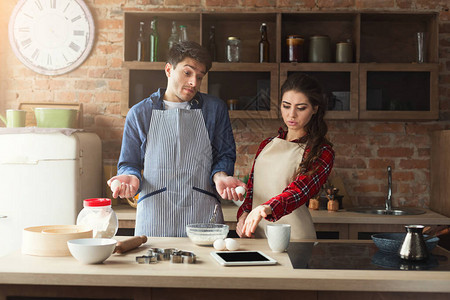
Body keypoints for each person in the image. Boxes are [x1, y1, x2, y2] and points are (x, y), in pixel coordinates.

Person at [108, 41, 244, 237]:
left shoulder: (215, 109)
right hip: (155, 216)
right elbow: (129, 162)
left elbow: (225, 155)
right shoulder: (139, 113)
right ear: (169, 70)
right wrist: (131, 176)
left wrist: (221, 175)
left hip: (202, 214)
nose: (194, 83)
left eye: (199, 77)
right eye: (187, 73)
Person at [236, 73, 334, 239]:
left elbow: (298, 192)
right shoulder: (266, 145)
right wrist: (244, 213)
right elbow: (253, 189)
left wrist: (265, 208)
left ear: (315, 109)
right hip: (257, 235)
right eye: (286, 106)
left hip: (295, 239)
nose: (291, 114)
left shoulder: (321, 151)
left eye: (301, 108)